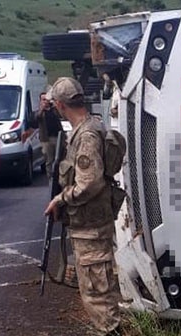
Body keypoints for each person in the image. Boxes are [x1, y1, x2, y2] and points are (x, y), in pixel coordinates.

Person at [43, 78, 121, 335]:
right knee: (96, 291)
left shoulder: (86, 135)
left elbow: (89, 183)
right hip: (90, 225)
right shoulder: (87, 129)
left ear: (60, 105)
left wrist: (61, 199)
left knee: (98, 296)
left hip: (92, 227)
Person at [37, 87, 64, 178]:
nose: (45, 101)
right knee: (49, 160)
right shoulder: (40, 112)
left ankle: (60, 177)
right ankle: (50, 179)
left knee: (60, 158)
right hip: (46, 139)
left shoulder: (54, 110)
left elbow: (61, 116)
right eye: (43, 100)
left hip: (57, 137)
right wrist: (42, 108)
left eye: (47, 99)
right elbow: (36, 118)